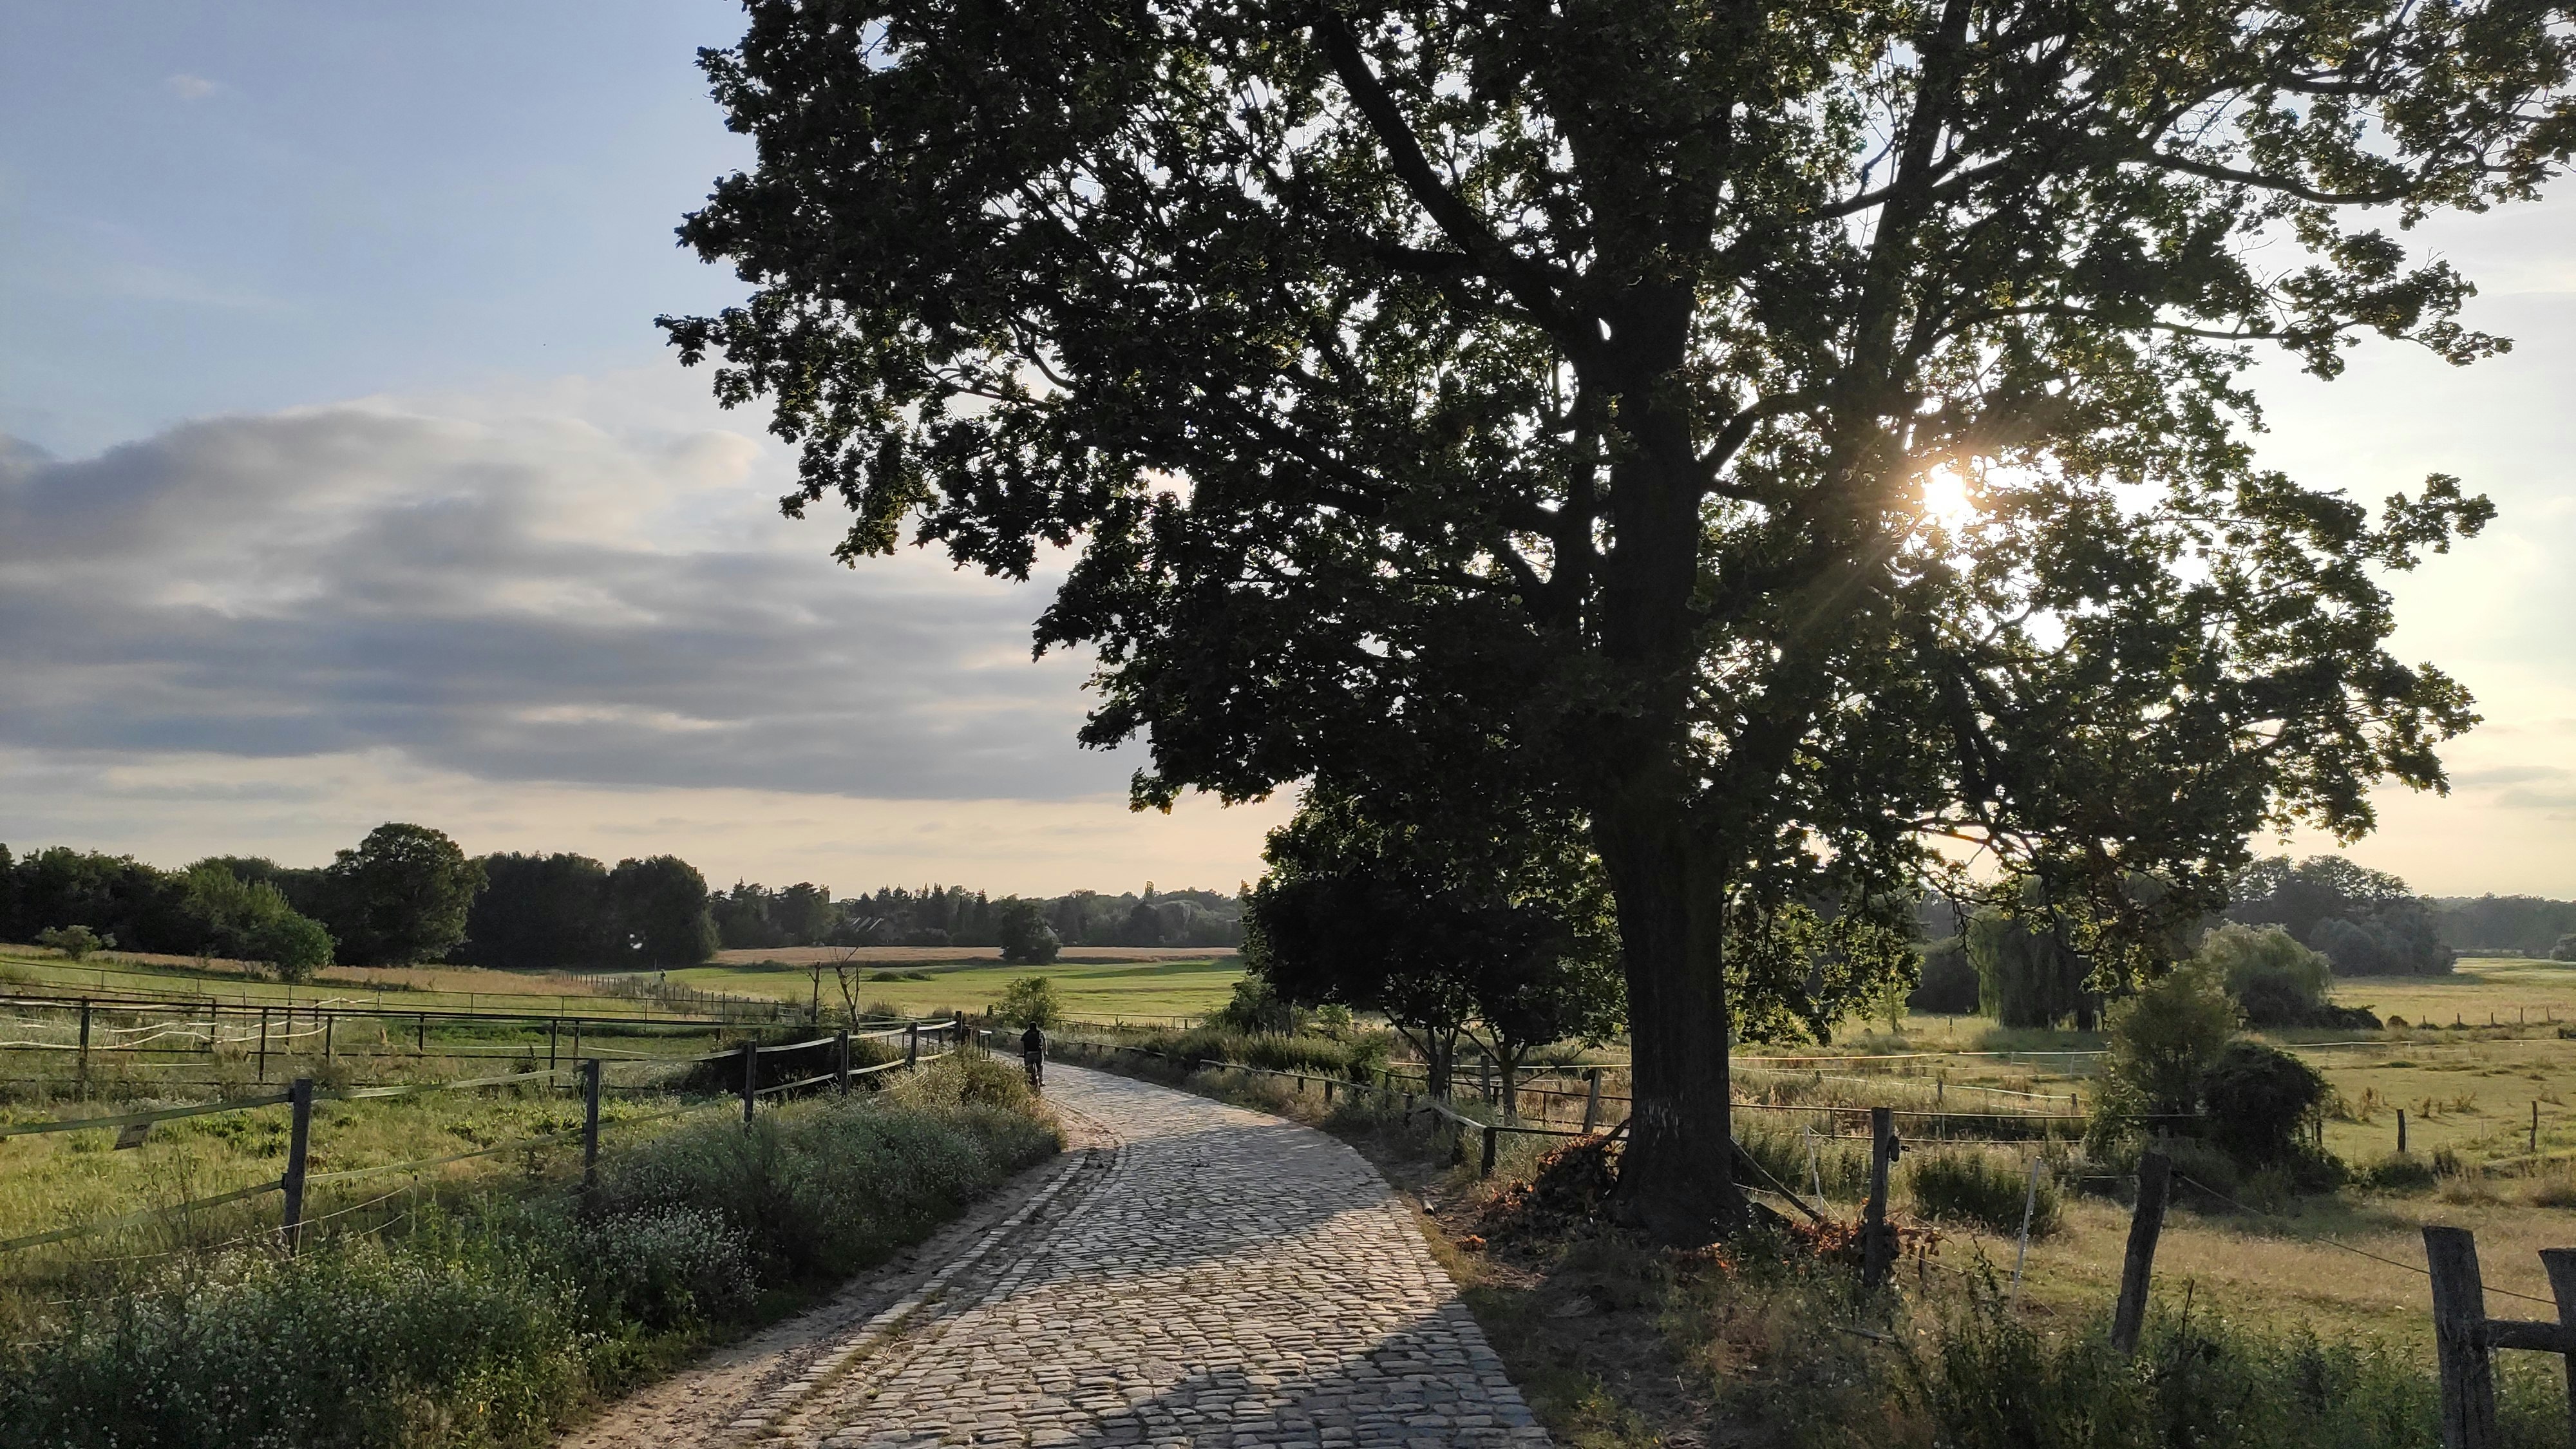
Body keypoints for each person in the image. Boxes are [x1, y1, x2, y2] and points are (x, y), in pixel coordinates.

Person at [1020, 1021, 1046, 1092]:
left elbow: (1021, 1043)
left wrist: (1021, 1053)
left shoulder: (1026, 1034)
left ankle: (1030, 1081)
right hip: (1038, 1054)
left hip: (1029, 1054)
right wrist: (1045, 1051)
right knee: (1040, 1066)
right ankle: (1041, 1080)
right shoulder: (1040, 1033)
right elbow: (1044, 1041)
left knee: (1029, 1069)